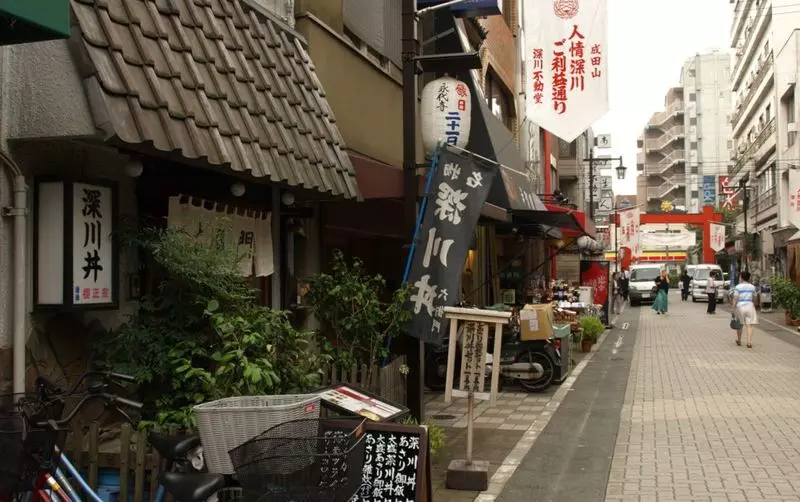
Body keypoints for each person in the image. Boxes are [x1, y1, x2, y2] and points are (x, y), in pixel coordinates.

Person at [732, 270, 758, 348]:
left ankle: (739, 340)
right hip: (750, 306)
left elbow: (735, 298)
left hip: (740, 306)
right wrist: (755, 304)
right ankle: (749, 342)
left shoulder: (738, 287)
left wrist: (733, 308)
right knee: (749, 325)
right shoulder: (752, 287)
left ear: (741, 278)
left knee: (740, 325)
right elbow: (755, 298)